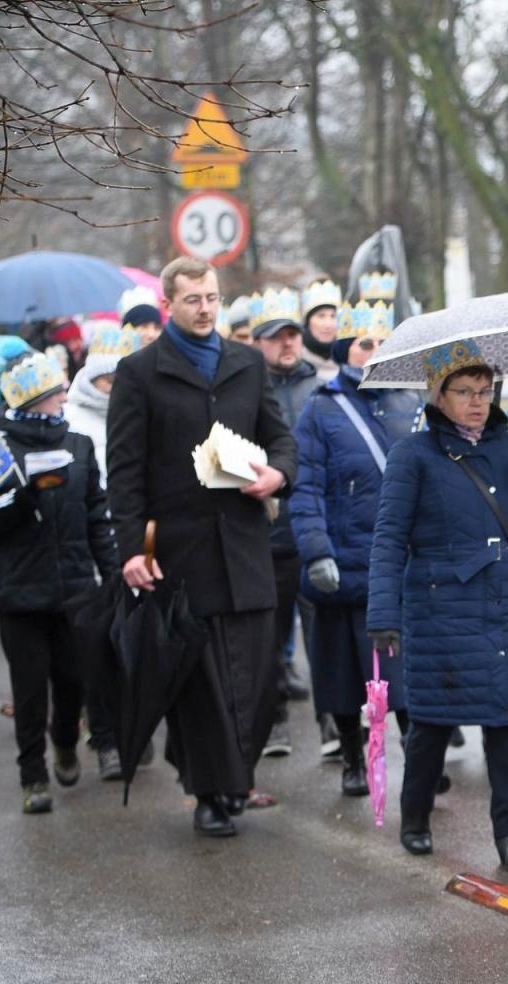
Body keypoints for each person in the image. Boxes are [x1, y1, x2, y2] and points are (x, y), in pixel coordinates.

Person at [106, 255, 297, 838]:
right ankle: (209, 792)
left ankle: (234, 774)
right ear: (169, 304)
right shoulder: (140, 373)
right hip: (183, 553)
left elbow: (279, 437)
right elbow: (125, 471)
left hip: (244, 545)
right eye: (193, 300)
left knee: (260, 676)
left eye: (212, 298)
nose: (206, 309)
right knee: (202, 684)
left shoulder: (245, 363)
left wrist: (278, 475)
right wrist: (133, 549)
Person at [366, 342, 508, 872]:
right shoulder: (414, 454)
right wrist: (383, 614)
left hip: (505, 602)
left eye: (485, 391)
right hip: (439, 606)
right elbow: (388, 538)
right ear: (438, 395)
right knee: (431, 721)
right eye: (464, 392)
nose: (477, 402)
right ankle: (415, 816)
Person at [0, 352, 118, 812]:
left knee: (72, 681)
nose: (63, 398)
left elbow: (97, 517)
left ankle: (66, 742)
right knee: (30, 688)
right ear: (34, 400)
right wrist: (24, 496)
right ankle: (32, 776)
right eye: (55, 393)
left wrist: (111, 573)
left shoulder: (79, 445)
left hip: (74, 589)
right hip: (19, 593)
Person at [291, 297, 420, 797]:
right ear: (347, 349)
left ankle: (418, 751)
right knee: (342, 672)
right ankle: (351, 756)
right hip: (344, 558)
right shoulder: (321, 409)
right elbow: (306, 487)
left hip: (400, 563)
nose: (376, 351)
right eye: (367, 344)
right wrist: (317, 549)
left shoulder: (410, 404)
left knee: (404, 671)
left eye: (385, 343)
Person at [250, 286, 322, 760]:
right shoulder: (243, 389)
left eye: (293, 335)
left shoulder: (320, 388)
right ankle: (273, 720)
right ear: (258, 341)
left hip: (315, 531)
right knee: (269, 639)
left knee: (324, 635)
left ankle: (334, 724)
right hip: (267, 532)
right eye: (277, 337)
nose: (288, 343)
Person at [65, 324, 143, 482]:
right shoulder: (69, 417)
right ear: (93, 379)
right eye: (110, 381)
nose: (118, 389)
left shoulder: (142, 412)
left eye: (126, 381)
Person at [300, 278, 342, 366]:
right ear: (308, 322)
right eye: (321, 316)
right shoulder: (294, 361)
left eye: (333, 316)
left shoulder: (350, 360)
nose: (328, 324)